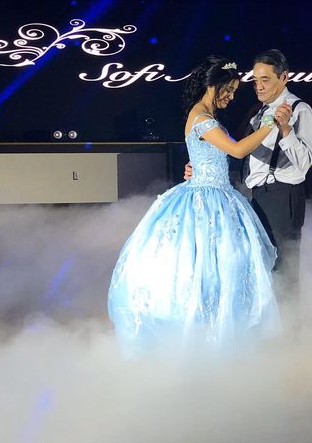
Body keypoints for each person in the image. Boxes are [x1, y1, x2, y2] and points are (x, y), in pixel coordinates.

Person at [108, 55, 282, 358]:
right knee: (202, 267)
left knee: (223, 268)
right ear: (211, 86)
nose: (230, 97)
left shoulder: (206, 117)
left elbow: (210, 155)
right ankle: (204, 336)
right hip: (205, 201)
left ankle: (218, 330)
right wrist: (271, 123)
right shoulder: (202, 117)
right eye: (227, 90)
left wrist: (196, 166)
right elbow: (238, 150)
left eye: (233, 92)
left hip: (220, 197)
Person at [185, 49, 312, 305]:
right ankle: (266, 332)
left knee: (284, 270)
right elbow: (233, 150)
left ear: (284, 77)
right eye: (255, 80)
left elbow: (303, 165)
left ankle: (291, 337)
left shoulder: (300, 110)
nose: (258, 86)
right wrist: (198, 165)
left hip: (282, 195)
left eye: (265, 79)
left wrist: (286, 129)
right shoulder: (258, 112)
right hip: (253, 198)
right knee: (258, 266)